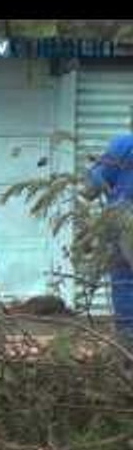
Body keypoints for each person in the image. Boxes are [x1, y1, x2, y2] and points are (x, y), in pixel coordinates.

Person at [84, 124, 133, 346]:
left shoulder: (122, 143)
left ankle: (127, 348)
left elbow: (91, 189)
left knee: (124, 282)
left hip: (121, 221)